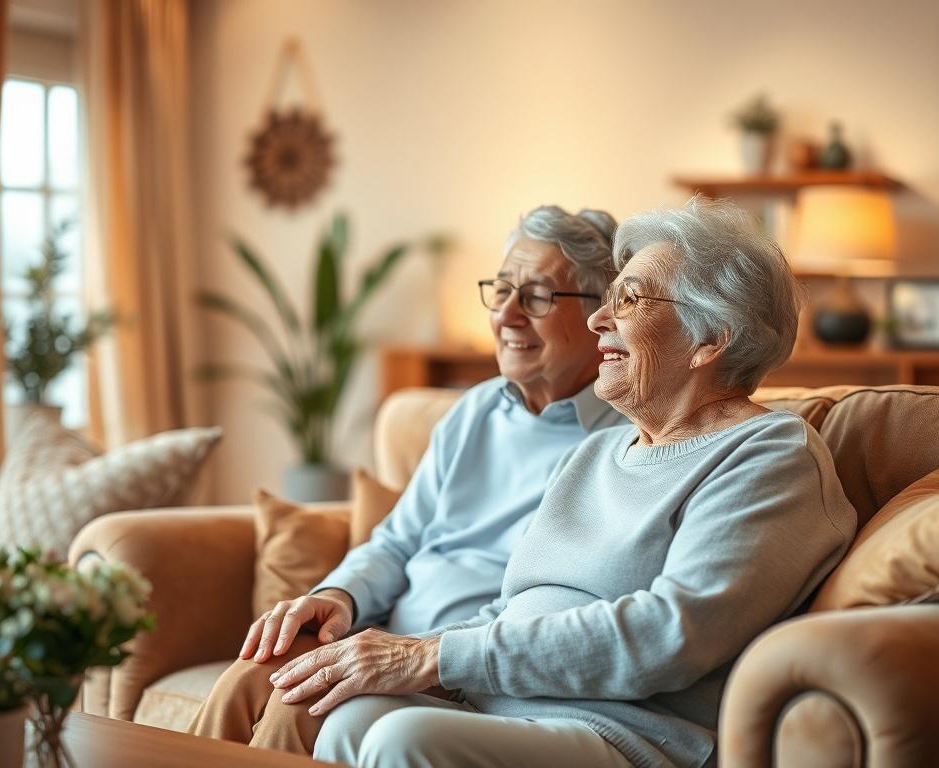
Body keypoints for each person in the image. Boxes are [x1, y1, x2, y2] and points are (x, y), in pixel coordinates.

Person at [265, 197, 858, 768]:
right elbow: (509, 608)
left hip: (626, 732)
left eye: (629, 299)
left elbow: (670, 633)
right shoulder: (598, 452)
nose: (601, 318)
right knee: (345, 715)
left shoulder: (768, 456)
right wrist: (403, 654)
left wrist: (435, 656)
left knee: (402, 737)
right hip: (505, 706)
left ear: (711, 339)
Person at [187, 205, 628, 751]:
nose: (508, 316)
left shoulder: (623, 440)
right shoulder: (473, 412)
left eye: (537, 297)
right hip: (381, 642)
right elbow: (396, 542)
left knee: (295, 702)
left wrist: (413, 654)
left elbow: (558, 605)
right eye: (502, 291)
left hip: (461, 665)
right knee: (252, 673)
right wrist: (339, 596)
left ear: (600, 313)